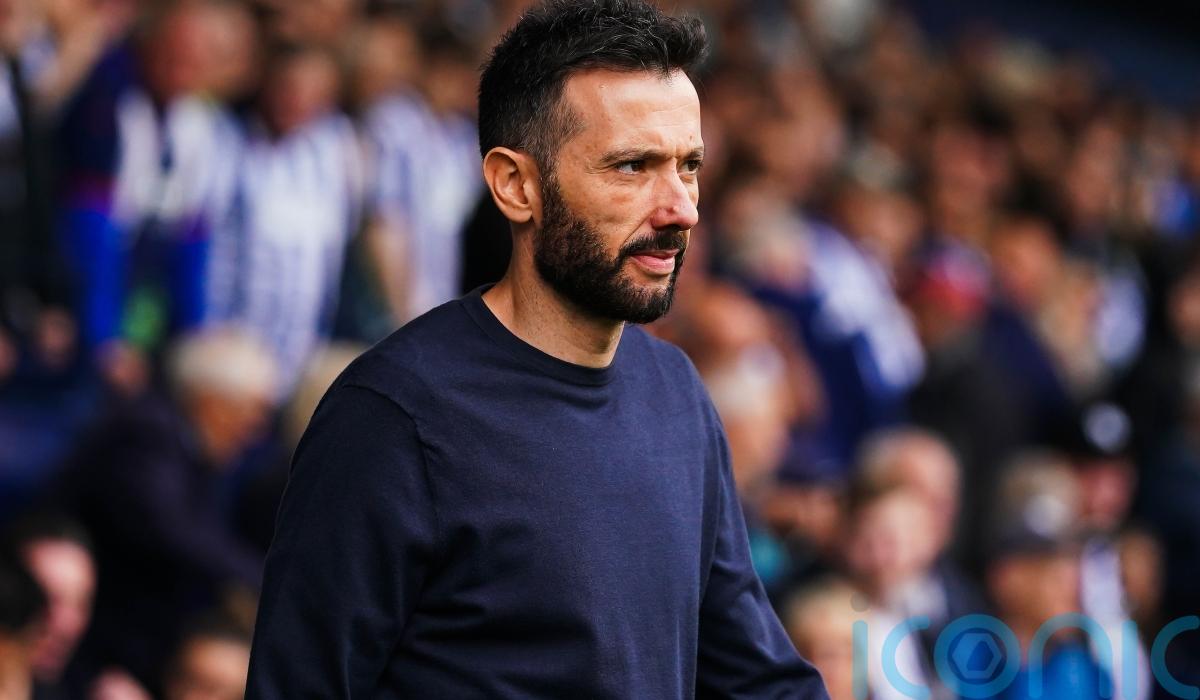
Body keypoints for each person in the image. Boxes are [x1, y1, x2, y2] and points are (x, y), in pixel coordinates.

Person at [245, 0, 829, 697]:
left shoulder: (677, 394)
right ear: (516, 186)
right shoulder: (393, 416)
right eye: (633, 166)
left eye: (689, 166)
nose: (681, 208)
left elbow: (758, 681)